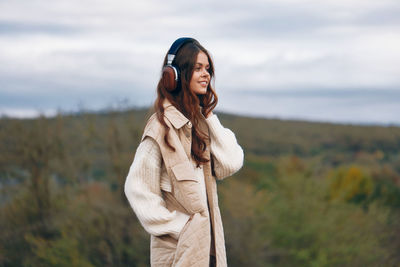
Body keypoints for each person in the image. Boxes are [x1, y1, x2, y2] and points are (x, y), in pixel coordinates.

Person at [124, 37, 244, 267]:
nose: (205, 74)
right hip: (178, 254)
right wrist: (180, 228)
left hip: (208, 252)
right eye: (197, 68)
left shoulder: (200, 124)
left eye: (207, 69)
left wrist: (207, 115)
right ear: (175, 76)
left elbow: (232, 161)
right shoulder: (161, 127)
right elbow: (136, 188)